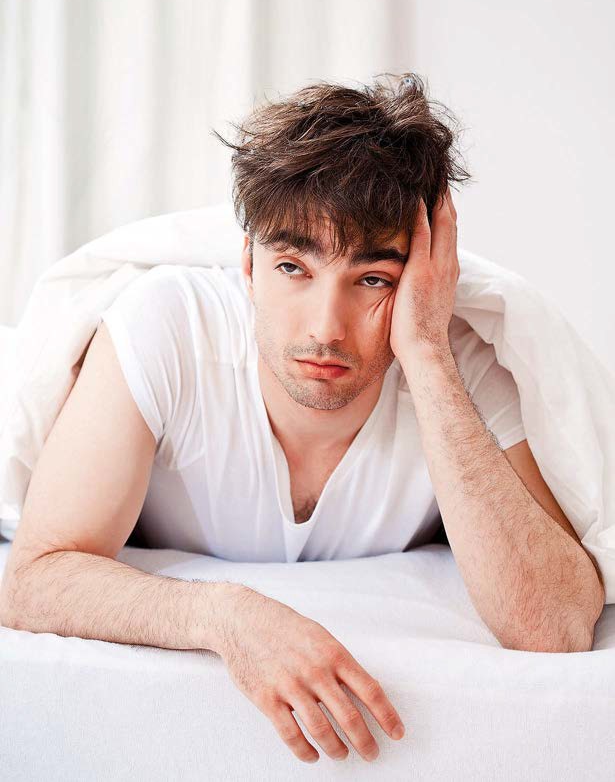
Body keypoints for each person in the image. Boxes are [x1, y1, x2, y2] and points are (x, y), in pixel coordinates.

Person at [0, 72, 573, 765]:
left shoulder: (456, 357)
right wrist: (224, 616)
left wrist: (425, 354)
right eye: (293, 268)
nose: (325, 328)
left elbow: (555, 626)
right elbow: (33, 579)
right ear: (247, 263)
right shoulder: (170, 326)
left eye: (372, 279)